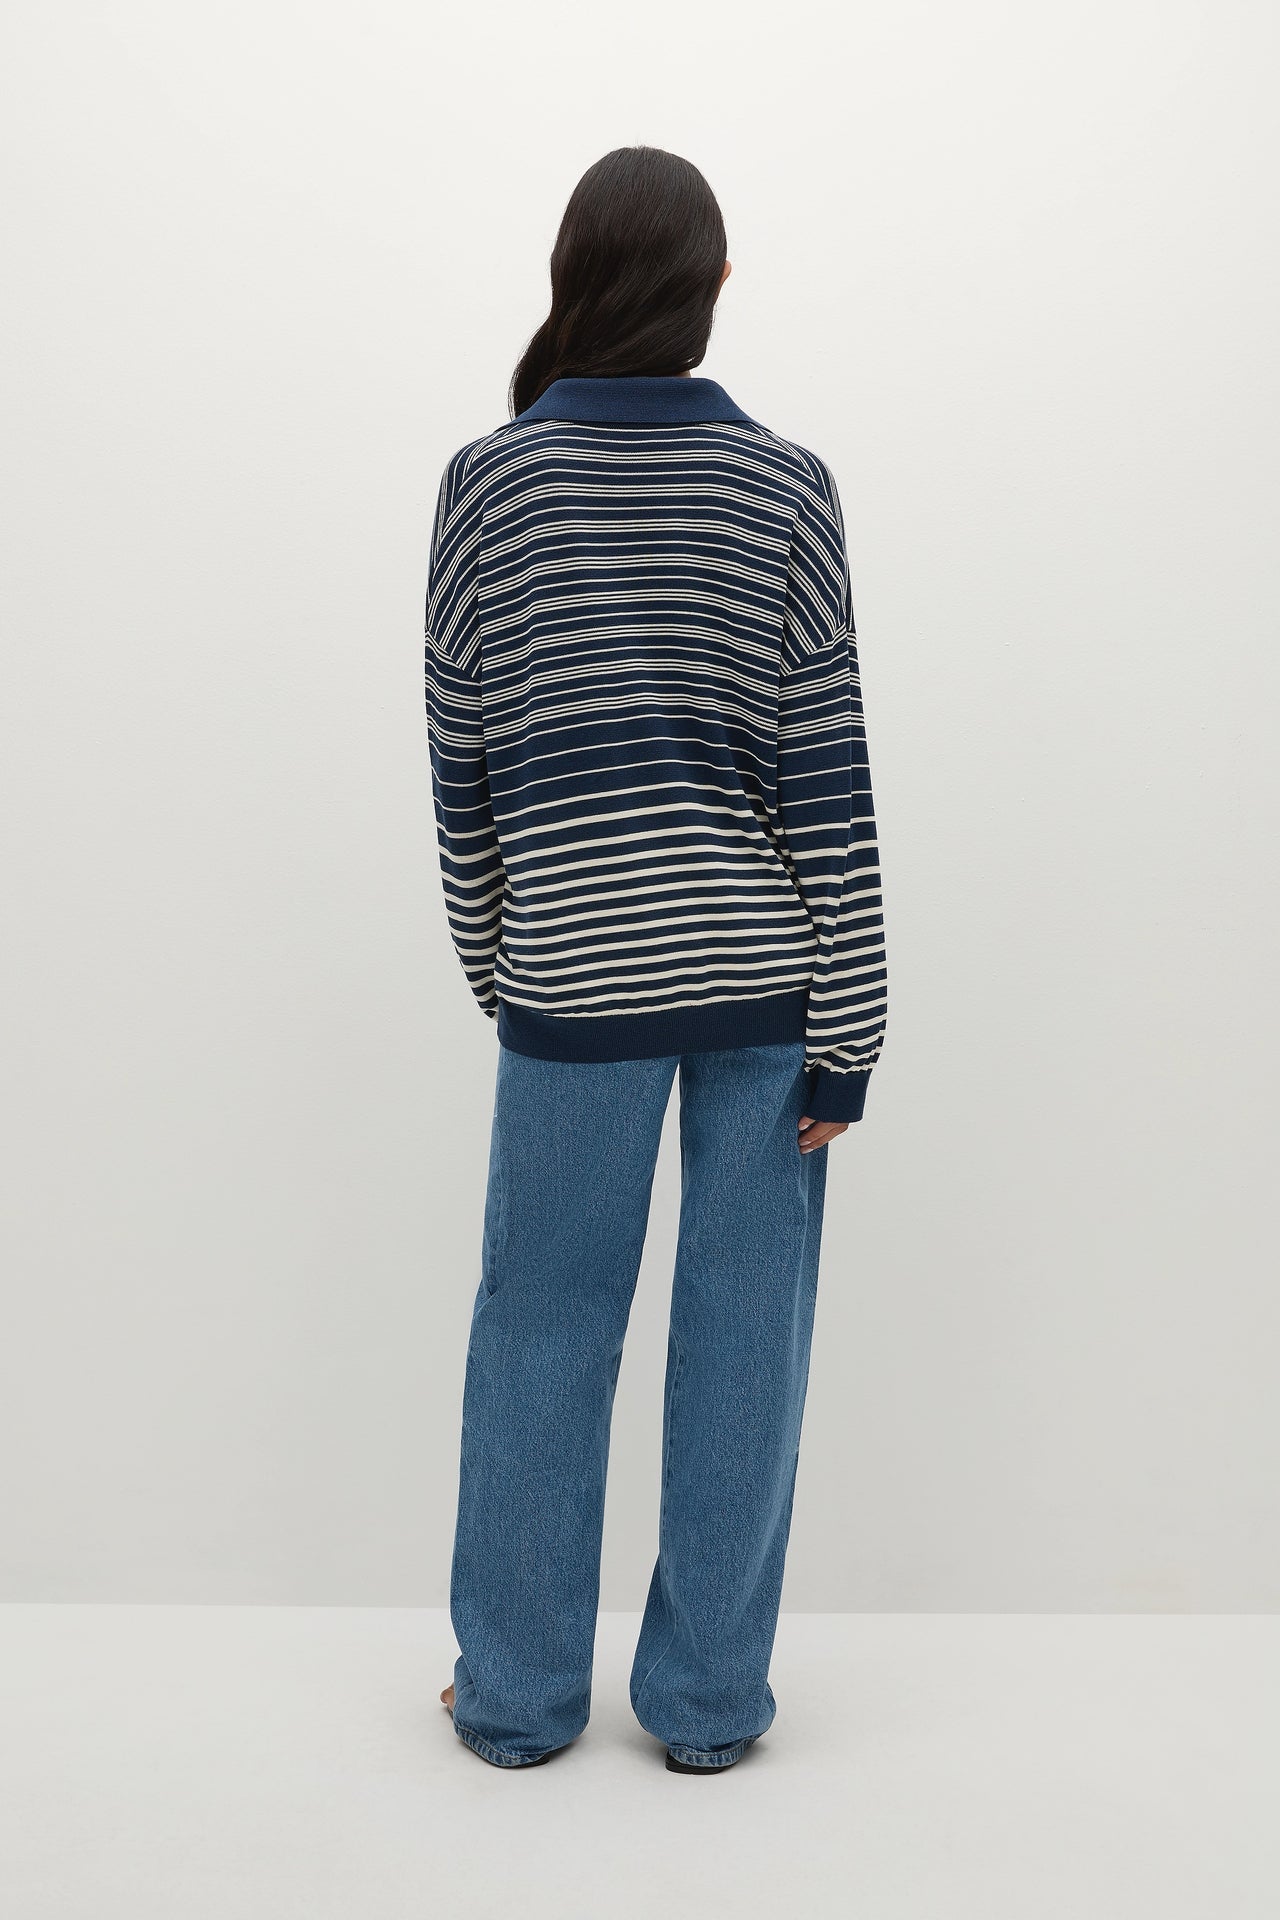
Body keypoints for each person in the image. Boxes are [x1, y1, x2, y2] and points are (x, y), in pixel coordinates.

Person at [423, 145, 889, 1773]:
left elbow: (463, 764)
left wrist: (510, 966)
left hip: (570, 984)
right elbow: (828, 777)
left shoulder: (488, 485)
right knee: (747, 1337)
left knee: (540, 1327)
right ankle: (704, 1708)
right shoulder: (788, 487)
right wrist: (854, 1027)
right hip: (766, 985)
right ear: (715, 286)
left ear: (571, 275)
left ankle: (516, 1697)